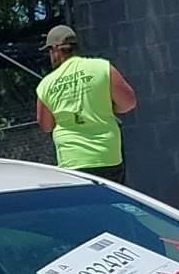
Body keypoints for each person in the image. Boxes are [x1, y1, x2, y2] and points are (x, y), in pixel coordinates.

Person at [34, 24, 136, 182]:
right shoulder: (102, 68)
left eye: (49, 51)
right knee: (110, 204)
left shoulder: (46, 84)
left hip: (72, 161)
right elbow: (128, 102)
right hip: (107, 156)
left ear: (56, 49)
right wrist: (107, 107)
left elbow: (46, 125)